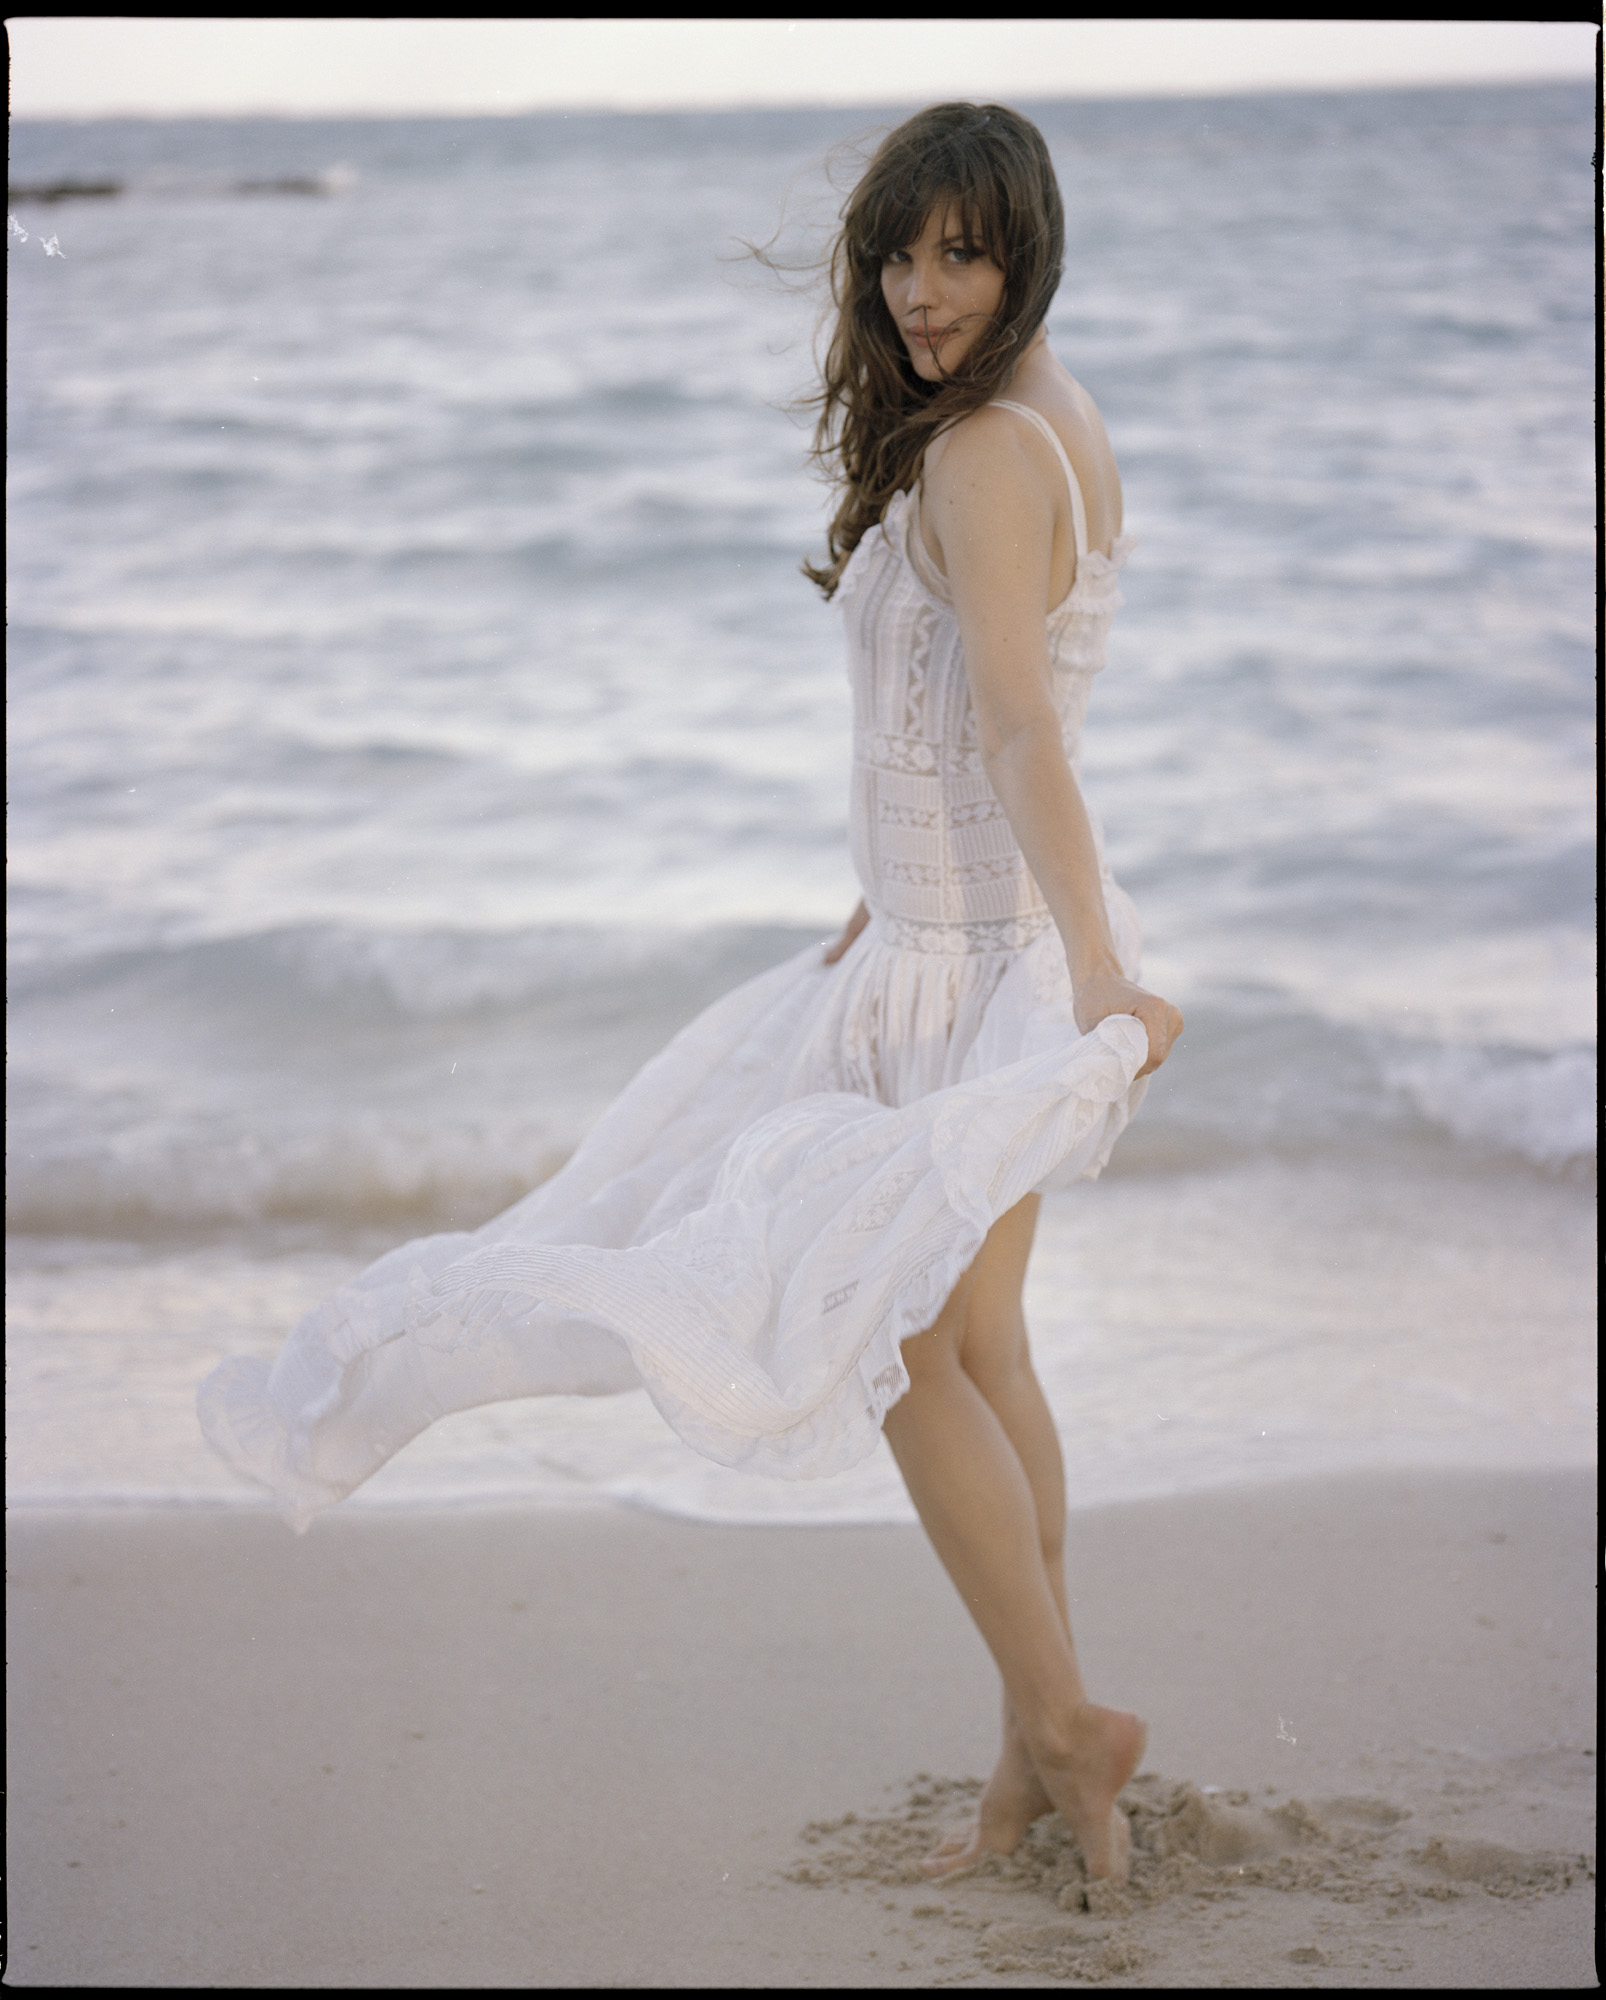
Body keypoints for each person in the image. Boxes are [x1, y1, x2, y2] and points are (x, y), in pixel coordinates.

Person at [199, 101, 1182, 1886]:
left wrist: (1099, 972)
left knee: (885, 1343)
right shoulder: (1056, 411)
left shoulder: (984, 449)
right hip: (966, 945)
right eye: (896, 254)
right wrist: (897, 884)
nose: (919, 291)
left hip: (971, 974)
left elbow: (1021, 725)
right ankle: (1037, 1755)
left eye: (960, 254)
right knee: (977, 1352)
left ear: (1026, 248)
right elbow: (974, 709)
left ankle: (1055, 1727)